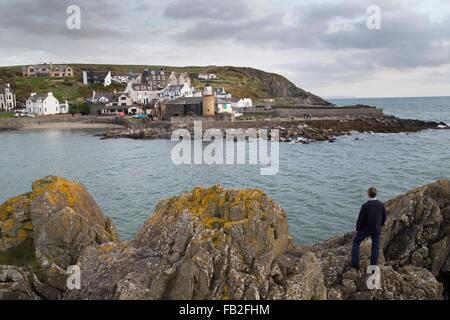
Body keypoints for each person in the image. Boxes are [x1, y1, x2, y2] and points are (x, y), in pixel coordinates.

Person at [351, 187, 387, 269]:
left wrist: (358, 228)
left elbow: (361, 219)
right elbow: (384, 218)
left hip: (365, 229)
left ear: (368, 194)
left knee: (356, 242)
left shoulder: (365, 206)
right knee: (375, 248)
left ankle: (355, 264)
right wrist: (379, 226)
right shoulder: (381, 205)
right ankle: (373, 268)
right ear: (376, 194)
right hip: (376, 229)